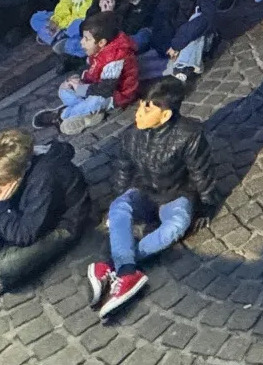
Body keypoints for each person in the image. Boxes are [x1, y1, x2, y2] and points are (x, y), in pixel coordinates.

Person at [87, 74, 215, 319]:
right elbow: (122, 170)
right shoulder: (131, 135)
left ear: (165, 115)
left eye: (147, 108)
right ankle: (127, 273)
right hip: (144, 189)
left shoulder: (189, 135)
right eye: (141, 105)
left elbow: (201, 172)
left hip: (176, 193)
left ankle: (114, 267)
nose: (139, 113)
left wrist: (207, 205)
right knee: (119, 208)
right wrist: (117, 199)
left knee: (176, 226)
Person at [0, 128, 93, 308]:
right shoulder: (15, 173)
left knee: (11, 263)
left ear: (19, 176)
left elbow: (25, 235)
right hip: (23, 212)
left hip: (59, 226)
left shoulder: (44, 179)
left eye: (0, 187)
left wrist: (0, 208)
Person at [38, 9, 139, 135]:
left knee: (95, 102)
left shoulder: (115, 59)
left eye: (86, 39)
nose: (82, 42)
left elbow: (105, 89)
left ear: (102, 42)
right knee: (64, 90)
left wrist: (80, 89)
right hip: (93, 86)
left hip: (115, 95)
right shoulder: (99, 51)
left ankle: (62, 115)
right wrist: (75, 80)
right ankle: (88, 114)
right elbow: (89, 67)